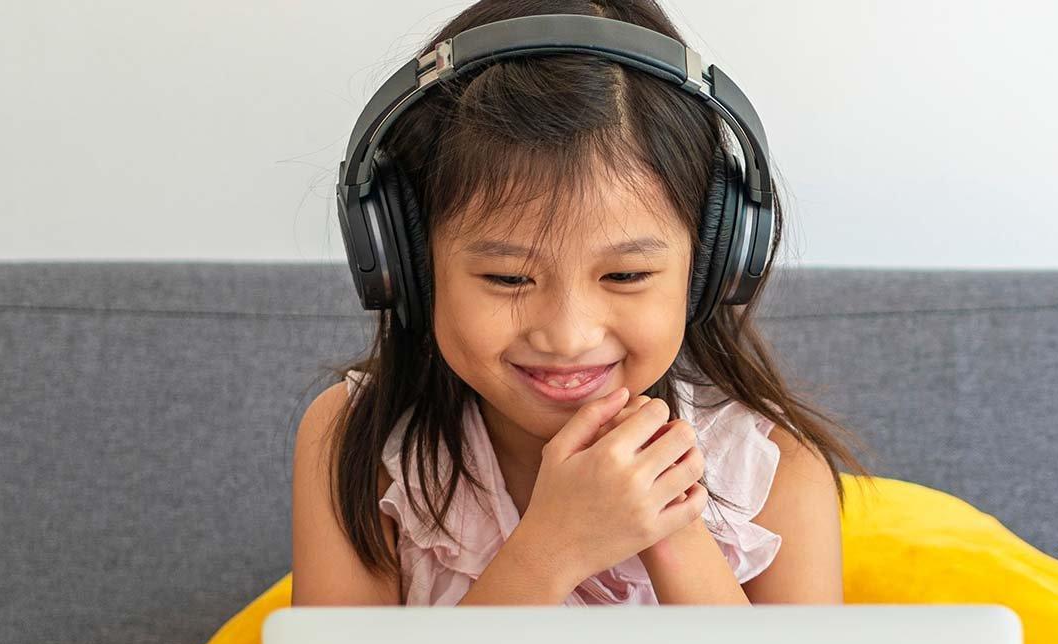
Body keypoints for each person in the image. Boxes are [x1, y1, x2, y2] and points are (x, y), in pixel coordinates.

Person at [292, 0, 860, 610]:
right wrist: (552, 549)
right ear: (411, 266)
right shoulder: (358, 440)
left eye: (625, 273)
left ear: (711, 264)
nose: (567, 336)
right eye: (508, 278)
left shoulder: (773, 468)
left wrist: (672, 532)